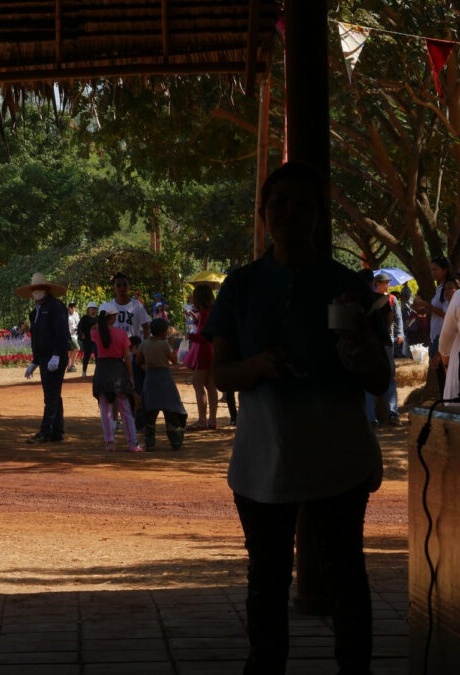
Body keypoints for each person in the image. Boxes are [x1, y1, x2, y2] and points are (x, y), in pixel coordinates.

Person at [205, 162, 390, 674]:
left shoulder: (348, 286)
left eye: (302, 204)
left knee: (345, 573)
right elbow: (221, 374)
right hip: (266, 454)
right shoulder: (240, 287)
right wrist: (261, 365)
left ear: (319, 216)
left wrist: (358, 348)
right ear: (263, 214)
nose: (289, 212)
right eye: (279, 203)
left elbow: (378, 379)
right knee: (266, 578)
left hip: (338, 453)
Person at [18, 272, 70, 444]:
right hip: (44, 357)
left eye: (40, 287)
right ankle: (57, 431)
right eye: (35, 288)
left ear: (47, 289)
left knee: (51, 395)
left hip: (56, 355)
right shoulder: (35, 312)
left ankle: (45, 431)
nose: (37, 291)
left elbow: (62, 333)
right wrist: (34, 361)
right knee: (53, 394)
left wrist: (56, 355)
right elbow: (36, 338)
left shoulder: (56, 307)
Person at [90, 310, 142, 452]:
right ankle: (133, 443)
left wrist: (97, 325)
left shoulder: (95, 333)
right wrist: (131, 377)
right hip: (118, 371)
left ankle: (110, 443)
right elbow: (127, 358)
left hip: (102, 372)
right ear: (112, 318)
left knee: (105, 409)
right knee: (125, 409)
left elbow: (92, 330)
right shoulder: (121, 334)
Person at [139, 318, 187, 451]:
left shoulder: (144, 344)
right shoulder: (164, 345)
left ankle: (149, 443)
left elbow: (139, 361)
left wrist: (147, 365)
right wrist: (171, 345)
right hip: (165, 379)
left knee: (149, 413)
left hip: (150, 379)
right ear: (164, 332)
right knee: (172, 410)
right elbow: (174, 360)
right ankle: (176, 441)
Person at [364, 271, 401, 427]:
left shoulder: (358, 299)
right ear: (374, 282)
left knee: (368, 380)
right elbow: (390, 319)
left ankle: (371, 419)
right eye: (384, 282)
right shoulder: (385, 300)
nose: (387, 285)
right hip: (384, 342)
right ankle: (393, 413)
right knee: (389, 378)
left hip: (367, 344)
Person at [414, 256, 450, 395]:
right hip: (435, 336)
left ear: (445, 270)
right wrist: (424, 309)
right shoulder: (439, 287)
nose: (433, 272)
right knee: (440, 375)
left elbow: (447, 314)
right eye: (431, 269)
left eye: (436, 269)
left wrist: (427, 305)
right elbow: (437, 311)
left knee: (443, 375)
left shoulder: (447, 289)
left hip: (443, 336)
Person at [186, 284, 218, 431]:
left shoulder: (205, 313)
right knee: (211, 385)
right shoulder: (212, 311)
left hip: (203, 351)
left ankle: (202, 420)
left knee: (197, 383)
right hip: (213, 350)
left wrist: (190, 336)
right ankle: (212, 420)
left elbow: (203, 335)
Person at [100, 272, 152, 340]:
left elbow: (146, 327)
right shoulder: (108, 306)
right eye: (118, 285)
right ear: (114, 288)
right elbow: (102, 328)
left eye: (125, 285)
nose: (122, 287)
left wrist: (143, 346)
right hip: (115, 348)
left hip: (133, 348)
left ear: (128, 287)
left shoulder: (137, 305)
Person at [77, 302, 100, 377]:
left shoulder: (98, 318)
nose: (93, 311)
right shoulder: (84, 318)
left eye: (95, 309)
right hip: (87, 340)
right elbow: (79, 327)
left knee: (97, 355)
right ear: (88, 310)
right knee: (87, 355)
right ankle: (84, 372)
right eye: (92, 309)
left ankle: (97, 372)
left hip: (95, 340)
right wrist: (81, 334)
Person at [66, 302, 81, 372]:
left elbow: (78, 323)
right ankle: (72, 364)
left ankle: (69, 366)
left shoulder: (76, 314)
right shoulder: (66, 315)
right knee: (77, 348)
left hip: (75, 335)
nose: (73, 308)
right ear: (68, 308)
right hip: (69, 335)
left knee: (70, 351)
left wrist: (78, 328)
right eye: (71, 307)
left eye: (74, 306)